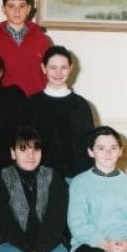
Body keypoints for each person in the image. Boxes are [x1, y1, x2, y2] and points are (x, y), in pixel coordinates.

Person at [26, 46, 94, 180]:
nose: (58, 73)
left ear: (71, 68)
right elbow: (26, 144)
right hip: (40, 177)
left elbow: (87, 146)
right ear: (43, 68)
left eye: (63, 68)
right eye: (53, 68)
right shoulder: (31, 104)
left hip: (74, 178)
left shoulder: (81, 105)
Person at [0, 0, 51, 97]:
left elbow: (49, 73)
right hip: (3, 102)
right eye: (11, 6)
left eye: (22, 6)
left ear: (28, 9)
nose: (17, 11)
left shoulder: (42, 40)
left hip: (36, 101)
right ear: (3, 9)